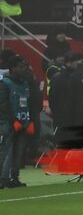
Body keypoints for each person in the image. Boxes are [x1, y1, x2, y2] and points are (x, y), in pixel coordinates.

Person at [1, 52, 38, 188]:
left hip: (24, 123)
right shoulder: (4, 84)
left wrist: (31, 121)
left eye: (24, 67)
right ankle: (2, 179)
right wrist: (13, 121)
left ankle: (14, 178)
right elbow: (3, 105)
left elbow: (30, 103)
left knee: (19, 152)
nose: (24, 69)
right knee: (5, 152)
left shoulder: (25, 84)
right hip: (8, 124)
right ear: (13, 68)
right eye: (21, 67)